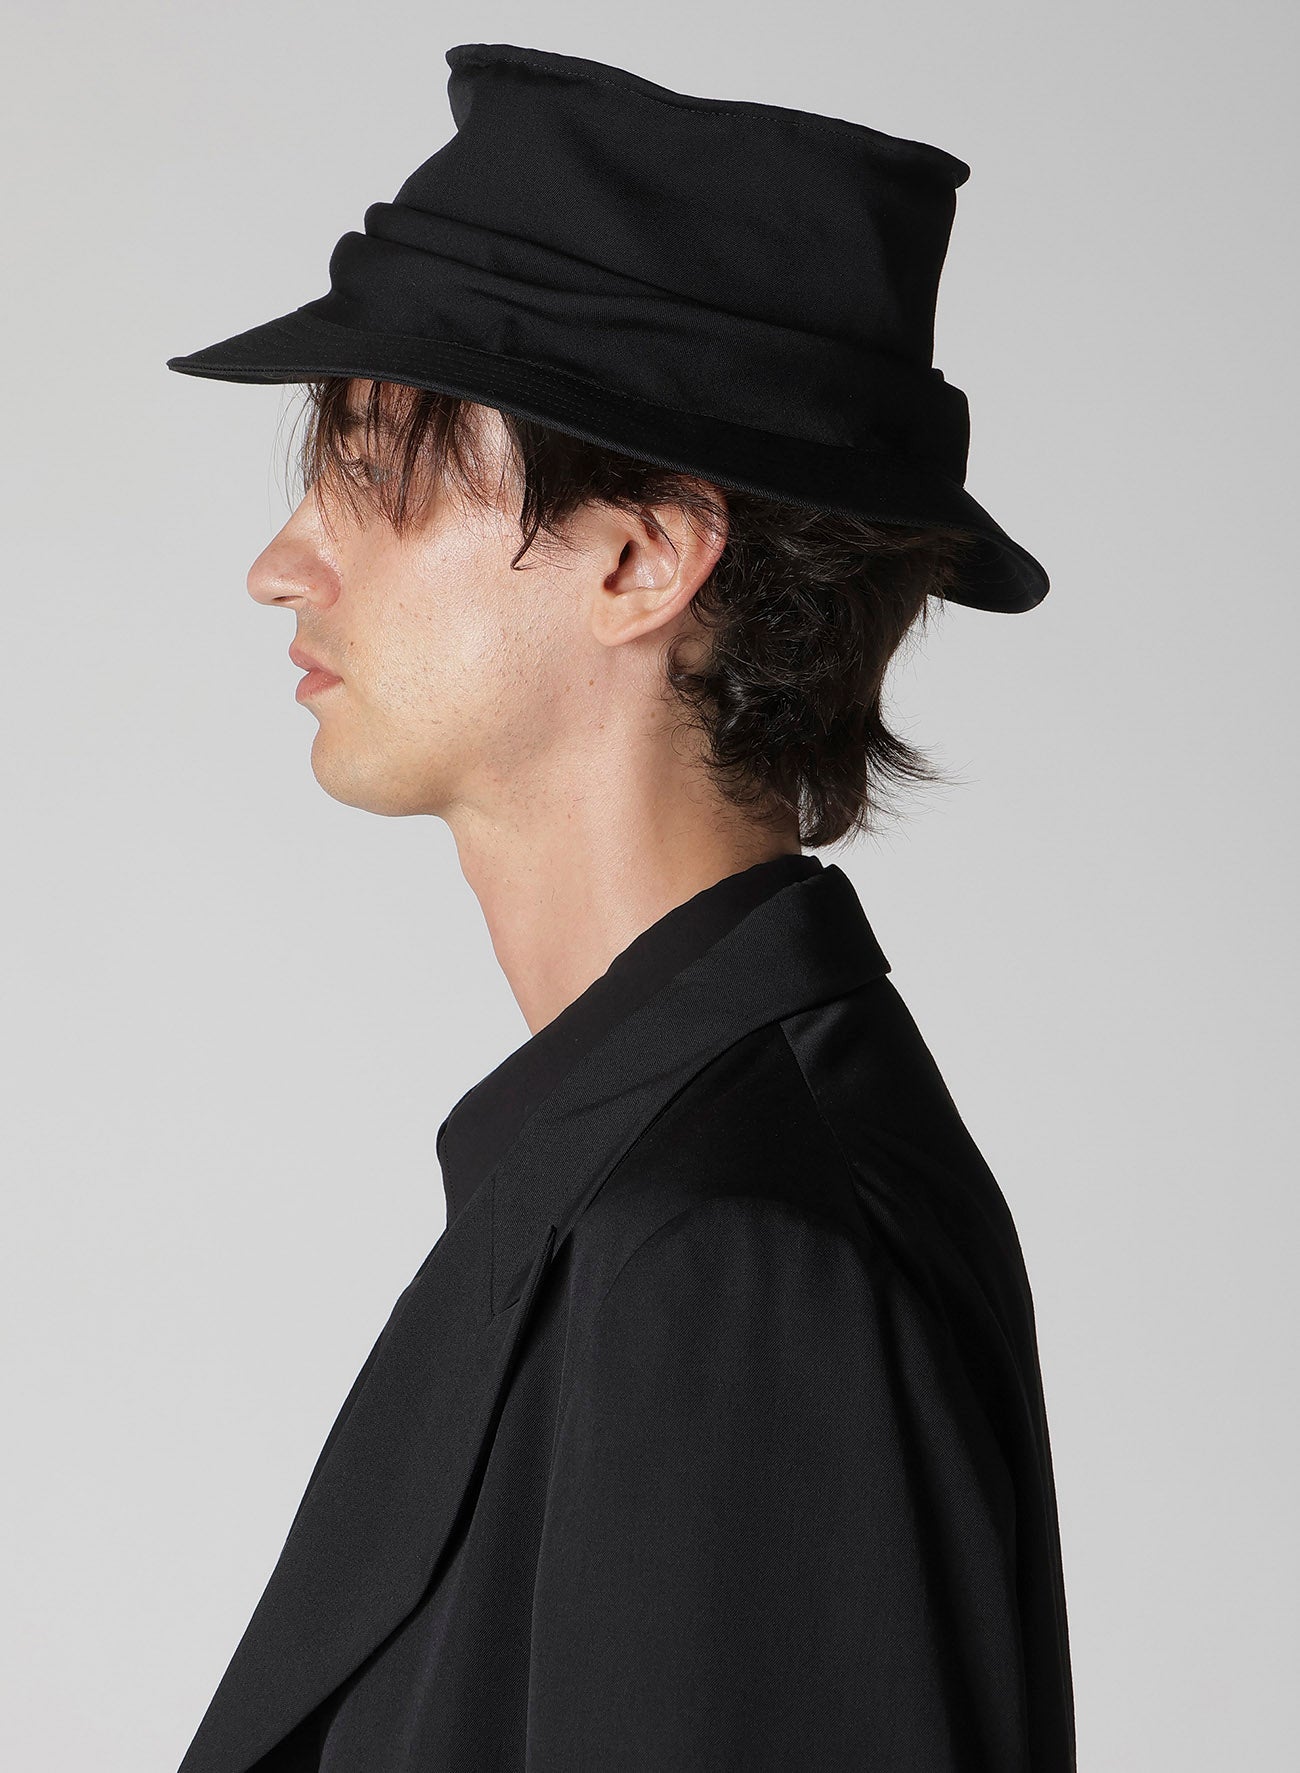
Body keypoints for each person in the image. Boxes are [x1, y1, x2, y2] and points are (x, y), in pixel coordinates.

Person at [166, 42, 1075, 1773]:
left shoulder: (734, 1261)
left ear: (644, 557)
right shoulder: (634, 1190)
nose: (283, 561)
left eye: (378, 467)